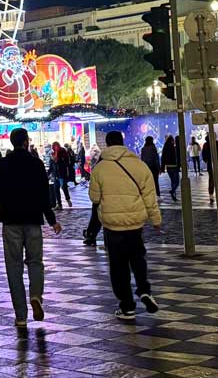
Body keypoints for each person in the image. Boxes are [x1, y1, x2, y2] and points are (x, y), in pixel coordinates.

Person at [0, 127, 62, 327]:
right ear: (26, 142)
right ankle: (36, 295)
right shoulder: (36, 164)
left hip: (10, 221)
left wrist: (6, 200)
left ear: (12, 142)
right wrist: (52, 220)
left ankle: (21, 315)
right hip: (33, 220)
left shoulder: (1, 165)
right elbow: (44, 196)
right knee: (35, 262)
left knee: (14, 266)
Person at [89, 130, 161, 320]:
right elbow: (149, 196)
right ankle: (144, 289)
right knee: (138, 257)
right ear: (123, 143)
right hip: (135, 222)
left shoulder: (100, 168)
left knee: (118, 265)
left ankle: (127, 306)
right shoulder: (139, 165)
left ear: (107, 144)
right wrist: (156, 220)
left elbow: (94, 197)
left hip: (112, 226)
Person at [201, 137, 218, 203]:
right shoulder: (217, 143)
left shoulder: (205, 144)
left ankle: (211, 195)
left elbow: (203, 154)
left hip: (210, 165)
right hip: (217, 164)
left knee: (211, 179)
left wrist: (206, 160)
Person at [50, 142, 72, 208]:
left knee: (64, 187)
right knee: (56, 189)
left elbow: (67, 162)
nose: (56, 147)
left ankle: (68, 199)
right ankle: (59, 204)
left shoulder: (63, 152)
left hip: (62, 173)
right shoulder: (53, 153)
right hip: (56, 174)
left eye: (57, 146)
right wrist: (50, 173)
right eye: (54, 146)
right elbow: (53, 163)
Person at [160, 135, 180, 202]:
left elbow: (163, 158)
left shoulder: (165, 147)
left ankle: (173, 196)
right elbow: (177, 157)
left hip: (168, 167)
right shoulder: (173, 147)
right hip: (174, 166)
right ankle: (172, 191)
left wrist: (162, 167)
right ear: (172, 140)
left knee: (172, 181)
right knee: (177, 181)